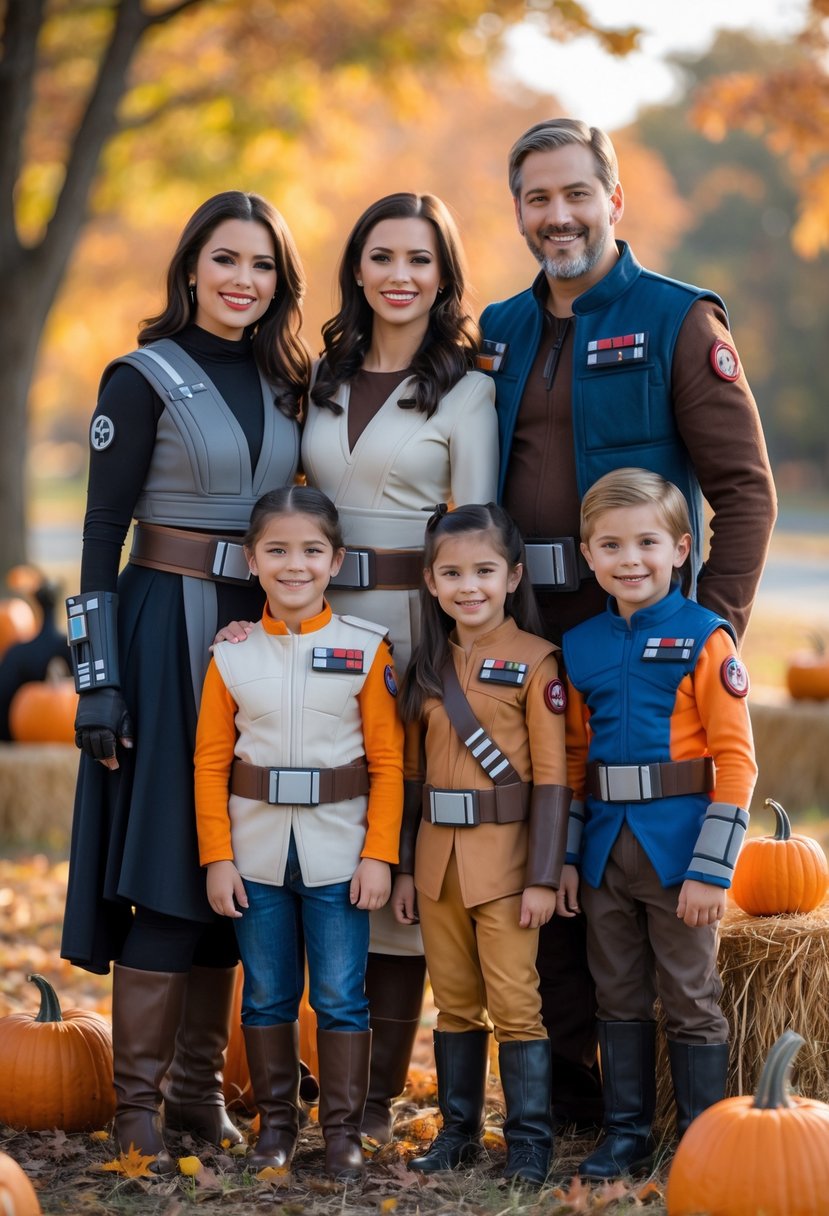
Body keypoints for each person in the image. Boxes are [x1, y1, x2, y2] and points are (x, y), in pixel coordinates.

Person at [479, 116, 776, 1129]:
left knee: (639, 867)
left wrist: (705, 634)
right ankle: (573, 1101)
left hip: (645, 636)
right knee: (550, 858)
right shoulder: (497, 332)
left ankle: (683, 1121)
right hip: (532, 634)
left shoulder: (676, 320)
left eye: (574, 193)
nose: (555, 215)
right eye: (535, 197)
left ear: (615, 201)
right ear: (517, 210)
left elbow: (745, 492)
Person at [60, 191, 309, 1172]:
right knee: (170, 863)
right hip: (165, 638)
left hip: (262, 641)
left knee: (238, 862)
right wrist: (96, 679)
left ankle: (202, 1094)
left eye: (262, 266)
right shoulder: (141, 378)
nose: (243, 281)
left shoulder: (292, 383)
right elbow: (93, 538)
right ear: (191, 268)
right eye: (226, 260)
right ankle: (137, 1109)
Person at [303, 192, 499, 1140]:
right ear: (356, 268)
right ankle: (316, 1076)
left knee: (400, 845)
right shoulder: (322, 376)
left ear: (443, 275)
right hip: (313, 631)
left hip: (414, 632)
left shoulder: (468, 388)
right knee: (321, 831)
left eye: (419, 260)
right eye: (381, 256)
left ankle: (374, 1099)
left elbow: (477, 528)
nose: (398, 276)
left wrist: (457, 659)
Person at [195, 486, 403, 1179]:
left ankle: (340, 1132)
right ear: (252, 560)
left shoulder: (365, 649)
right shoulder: (229, 656)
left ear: (335, 560)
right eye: (277, 551)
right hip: (254, 856)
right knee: (265, 994)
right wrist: (216, 858)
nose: (295, 565)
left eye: (311, 551)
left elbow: (387, 762)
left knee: (341, 995)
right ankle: (275, 1126)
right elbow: (209, 763)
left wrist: (379, 855)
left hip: (340, 855)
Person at [559, 468, 757, 1179]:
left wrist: (711, 870)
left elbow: (736, 765)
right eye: (610, 545)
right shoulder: (577, 647)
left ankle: (704, 1142)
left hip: (680, 857)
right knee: (614, 992)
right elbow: (575, 761)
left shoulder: (705, 639)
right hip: (606, 854)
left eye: (646, 542)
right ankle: (625, 1135)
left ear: (680, 549)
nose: (629, 559)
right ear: (588, 555)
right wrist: (567, 861)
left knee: (689, 997)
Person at [393, 503, 572, 1186]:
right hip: (437, 866)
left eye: (484, 572)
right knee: (456, 1003)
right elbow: (411, 778)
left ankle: (529, 1139)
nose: (469, 586)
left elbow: (554, 781)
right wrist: (406, 869)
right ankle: (459, 1131)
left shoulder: (536, 662)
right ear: (431, 583)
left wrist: (542, 876)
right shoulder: (427, 666)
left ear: (512, 575)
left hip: (506, 866)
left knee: (515, 1002)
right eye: (452, 573)